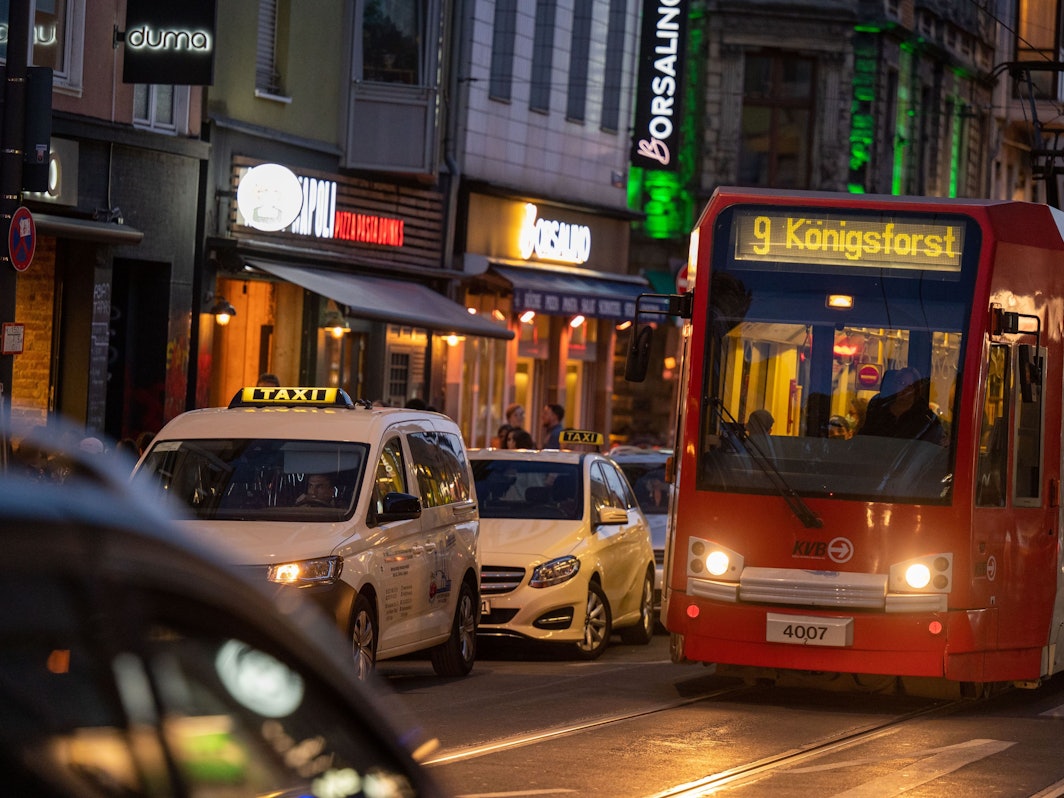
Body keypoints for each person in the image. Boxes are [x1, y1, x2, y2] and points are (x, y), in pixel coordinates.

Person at [859, 367, 945, 443]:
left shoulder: (925, 418)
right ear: (894, 385)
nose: (905, 389)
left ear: (916, 390)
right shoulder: (878, 409)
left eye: (910, 386)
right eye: (902, 383)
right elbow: (866, 437)